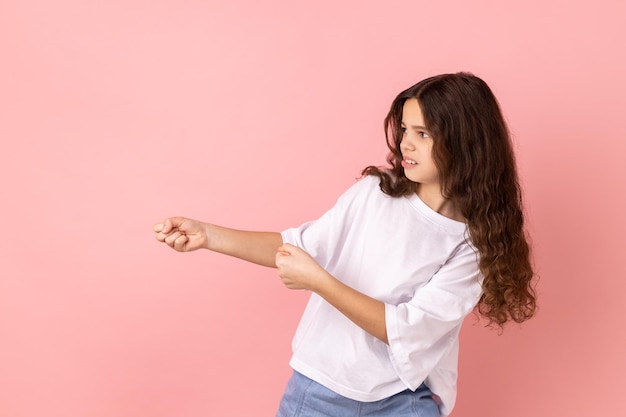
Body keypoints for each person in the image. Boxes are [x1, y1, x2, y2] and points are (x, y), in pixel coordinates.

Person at [153, 72, 537, 417]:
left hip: (403, 400)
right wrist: (208, 236)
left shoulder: (473, 244)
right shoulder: (376, 194)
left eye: (423, 134)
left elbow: (407, 329)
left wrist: (319, 281)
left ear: (466, 144)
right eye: (405, 129)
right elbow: (296, 246)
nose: (406, 144)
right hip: (319, 391)